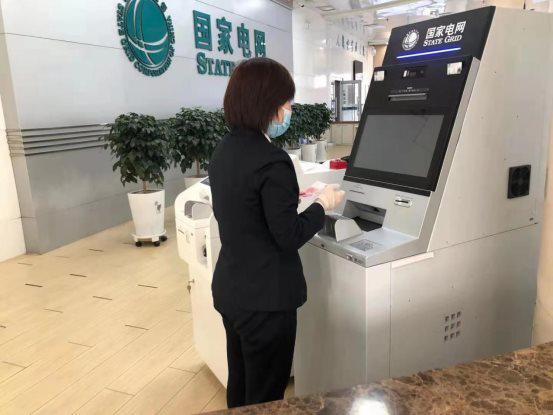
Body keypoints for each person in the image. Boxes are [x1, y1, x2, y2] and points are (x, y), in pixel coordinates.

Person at [208, 57, 345, 408]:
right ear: (268, 103)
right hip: (266, 301)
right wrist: (322, 204)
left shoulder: (224, 150)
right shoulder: (272, 160)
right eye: (287, 102)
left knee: (241, 383)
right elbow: (288, 235)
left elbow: (248, 210)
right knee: (267, 396)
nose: (289, 110)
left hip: (231, 289)